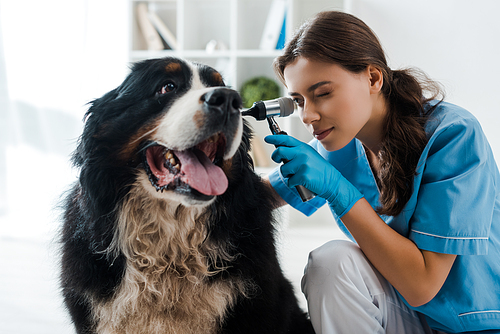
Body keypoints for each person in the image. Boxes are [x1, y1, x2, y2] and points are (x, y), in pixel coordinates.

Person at [263, 10, 500, 334]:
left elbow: (422, 285)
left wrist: (336, 188)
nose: (307, 116)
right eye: (299, 100)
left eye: (323, 93)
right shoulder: (339, 145)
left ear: (373, 78)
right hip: (406, 314)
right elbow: (262, 197)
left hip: (475, 323)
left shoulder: (454, 135)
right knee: (331, 263)